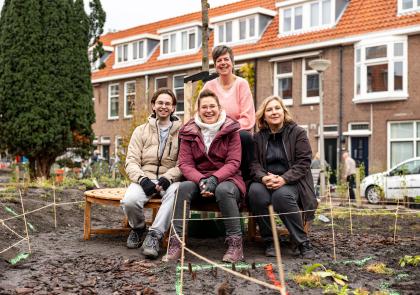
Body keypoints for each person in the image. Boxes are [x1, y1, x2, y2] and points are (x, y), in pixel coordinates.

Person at [164, 89, 246, 263]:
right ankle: (176, 242)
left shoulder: (231, 129)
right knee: (182, 187)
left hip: (227, 179)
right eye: (204, 107)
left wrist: (214, 180)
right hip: (198, 179)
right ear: (198, 110)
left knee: (224, 190)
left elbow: (233, 162)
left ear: (219, 107)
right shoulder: (188, 131)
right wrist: (202, 181)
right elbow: (185, 164)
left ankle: (235, 245)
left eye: (212, 106)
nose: (208, 110)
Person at [248, 95, 318, 258]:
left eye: (277, 108)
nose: (274, 112)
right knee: (255, 192)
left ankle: (302, 242)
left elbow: (304, 162)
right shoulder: (258, 137)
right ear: (263, 115)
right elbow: (253, 164)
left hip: (293, 182)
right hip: (266, 180)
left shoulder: (298, 133)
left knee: (282, 195)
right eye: (269, 109)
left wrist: (284, 179)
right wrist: (264, 178)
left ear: (284, 112)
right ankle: (270, 241)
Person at [122, 88, 182, 259]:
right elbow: (131, 161)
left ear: (173, 108)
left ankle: (154, 235)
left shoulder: (183, 132)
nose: (164, 106)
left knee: (177, 193)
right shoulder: (140, 131)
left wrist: (168, 178)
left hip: (169, 179)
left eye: (168, 103)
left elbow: (183, 163)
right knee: (129, 201)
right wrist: (142, 180)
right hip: (145, 177)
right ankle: (139, 229)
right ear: (153, 106)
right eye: (160, 103)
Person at [201, 45, 255, 181]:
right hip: (214, 132)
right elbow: (201, 112)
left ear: (232, 62)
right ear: (215, 64)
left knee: (245, 137)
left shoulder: (241, 84)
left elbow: (247, 119)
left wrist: (226, 131)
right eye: (219, 60)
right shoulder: (209, 86)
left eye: (226, 59)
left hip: (236, 134)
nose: (223, 63)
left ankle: (247, 180)